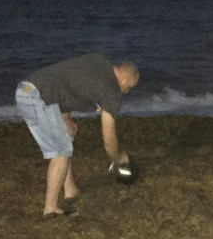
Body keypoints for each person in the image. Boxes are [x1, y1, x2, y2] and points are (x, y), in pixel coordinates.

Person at [15, 53, 139, 216]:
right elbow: (108, 138)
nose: (127, 92)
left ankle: (70, 190)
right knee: (61, 151)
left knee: (66, 137)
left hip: (28, 90)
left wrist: (65, 117)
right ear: (124, 79)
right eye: (129, 87)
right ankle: (50, 209)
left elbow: (70, 83)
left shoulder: (99, 61)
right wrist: (118, 159)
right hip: (38, 97)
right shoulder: (112, 90)